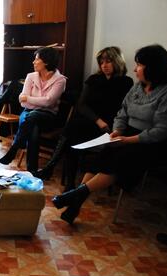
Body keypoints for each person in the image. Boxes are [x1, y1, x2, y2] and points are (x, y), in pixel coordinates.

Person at [52, 44, 167, 225]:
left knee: (119, 161)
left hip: (154, 143)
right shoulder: (137, 87)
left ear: (153, 67)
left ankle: (76, 196)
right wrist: (118, 131)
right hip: (128, 135)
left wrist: (128, 140)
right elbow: (122, 113)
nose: (135, 69)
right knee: (103, 156)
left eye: (139, 65)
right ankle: (75, 203)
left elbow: (162, 130)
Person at [36, 47, 134, 189]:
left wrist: (105, 123)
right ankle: (68, 183)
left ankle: (51, 170)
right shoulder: (93, 79)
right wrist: (98, 120)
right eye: (101, 62)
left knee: (72, 133)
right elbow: (81, 105)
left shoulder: (126, 82)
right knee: (72, 135)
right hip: (91, 122)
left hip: (109, 126)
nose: (104, 65)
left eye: (108, 61)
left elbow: (122, 109)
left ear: (117, 62)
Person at [0, 47, 66, 174]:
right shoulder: (30, 76)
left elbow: (49, 101)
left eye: (36, 59)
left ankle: (15, 148)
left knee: (33, 117)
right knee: (33, 129)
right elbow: (22, 100)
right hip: (29, 113)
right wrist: (37, 101)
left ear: (46, 62)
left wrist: (30, 99)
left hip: (48, 116)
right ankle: (32, 171)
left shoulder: (60, 80)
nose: (33, 62)